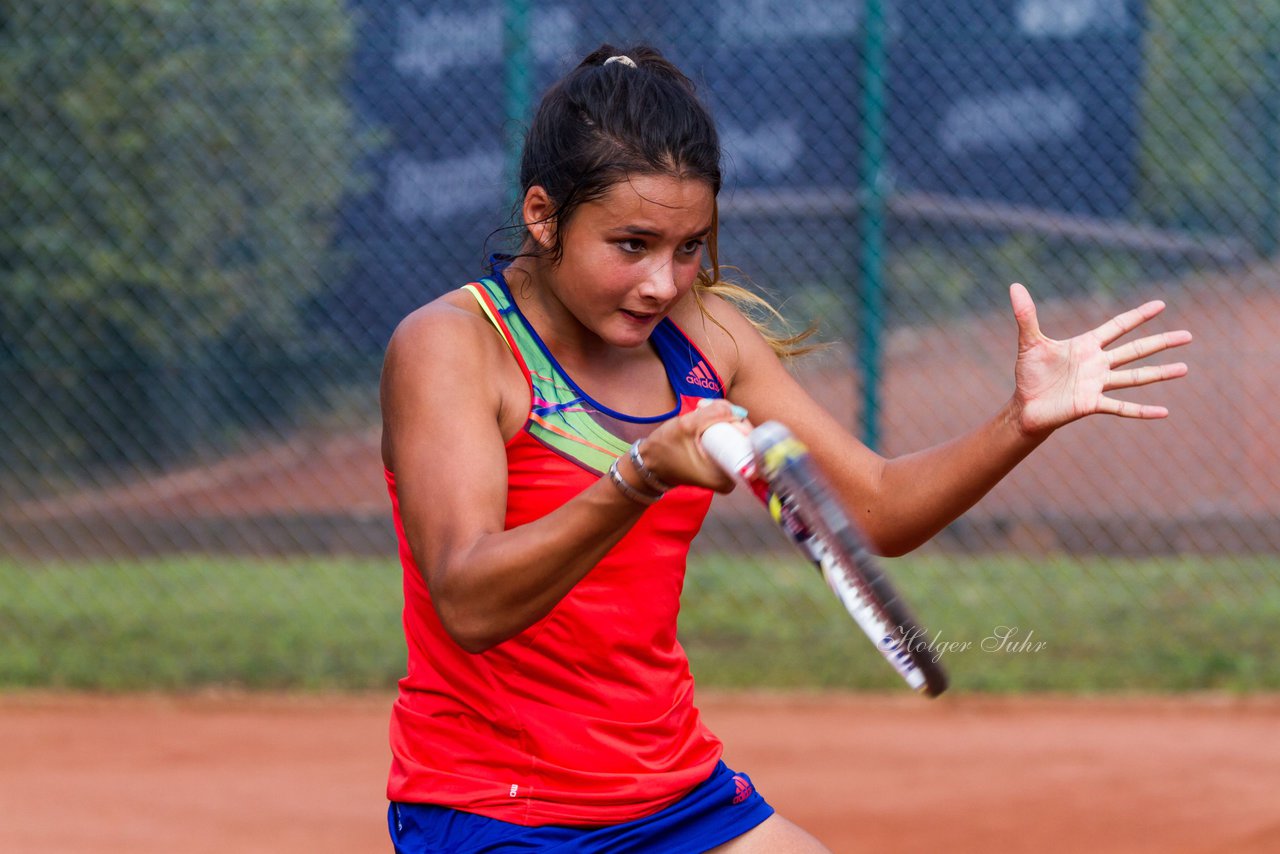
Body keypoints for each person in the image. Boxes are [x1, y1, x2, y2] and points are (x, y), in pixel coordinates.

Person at [378, 43, 1191, 853]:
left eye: (689, 247)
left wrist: (1018, 421)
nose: (664, 282)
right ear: (543, 215)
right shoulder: (451, 348)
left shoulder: (704, 334)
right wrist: (642, 473)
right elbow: (469, 600)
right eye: (632, 245)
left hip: (675, 795)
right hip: (493, 809)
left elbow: (876, 510)